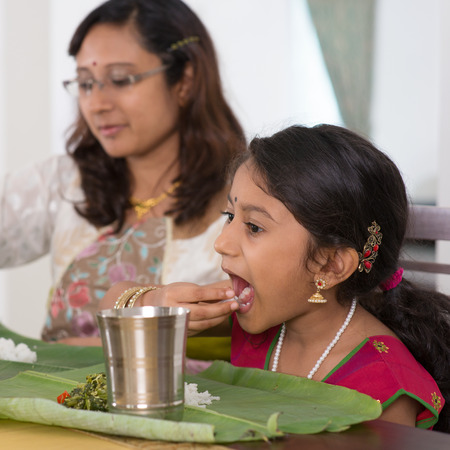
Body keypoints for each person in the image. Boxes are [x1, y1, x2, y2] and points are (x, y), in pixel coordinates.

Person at [103, 124, 449, 431]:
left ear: (330, 266)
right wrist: (152, 302)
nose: (221, 243)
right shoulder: (253, 320)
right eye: (229, 215)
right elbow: (111, 303)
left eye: (254, 226)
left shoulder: (384, 389)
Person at [0, 0, 245, 358]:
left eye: (120, 80)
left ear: (185, 80)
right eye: (85, 83)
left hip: (182, 406)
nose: (97, 103)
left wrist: (81, 349)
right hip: (51, 404)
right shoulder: (67, 182)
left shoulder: (245, 197)